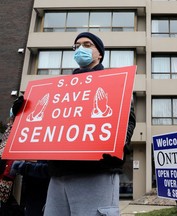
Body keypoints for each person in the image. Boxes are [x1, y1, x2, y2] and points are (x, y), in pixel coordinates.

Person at [42, 32, 136, 215]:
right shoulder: (62, 87)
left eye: (87, 44)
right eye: (77, 46)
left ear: (99, 53)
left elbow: (128, 121)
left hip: (95, 172)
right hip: (59, 175)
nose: (80, 49)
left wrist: (116, 144)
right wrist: (24, 111)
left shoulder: (115, 82)